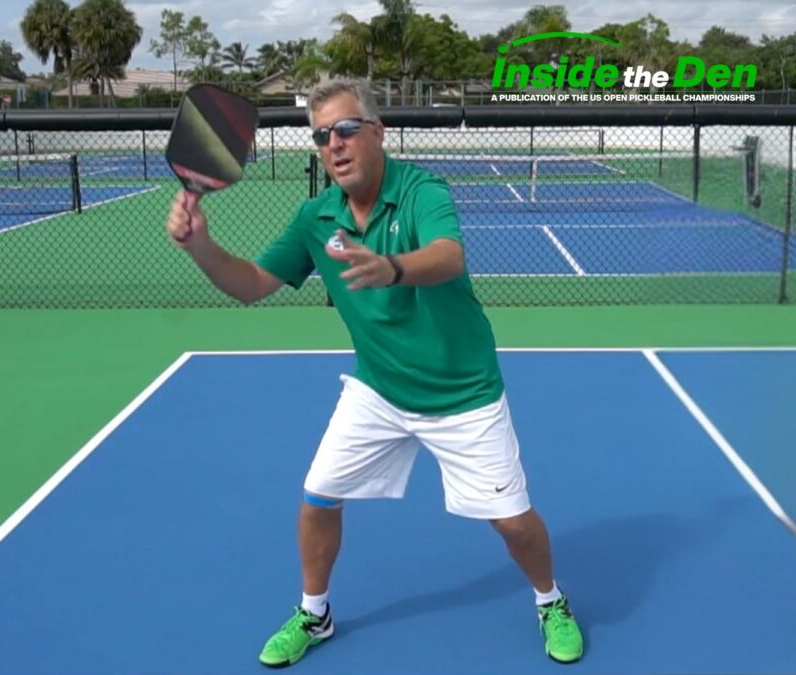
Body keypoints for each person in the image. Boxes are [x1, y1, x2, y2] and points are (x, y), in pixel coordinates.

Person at [163, 78, 584, 669]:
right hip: (379, 391)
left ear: (377, 133)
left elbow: (448, 255)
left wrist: (391, 267)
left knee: (513, 525)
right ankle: (316, 612)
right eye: (321, 136)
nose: (333, 144)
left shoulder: (421, 190)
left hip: (463, 394)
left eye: (345, 129)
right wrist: (201, 247)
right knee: (317, 498)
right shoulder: (316, 217)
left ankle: (551, 600)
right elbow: (251, 285)